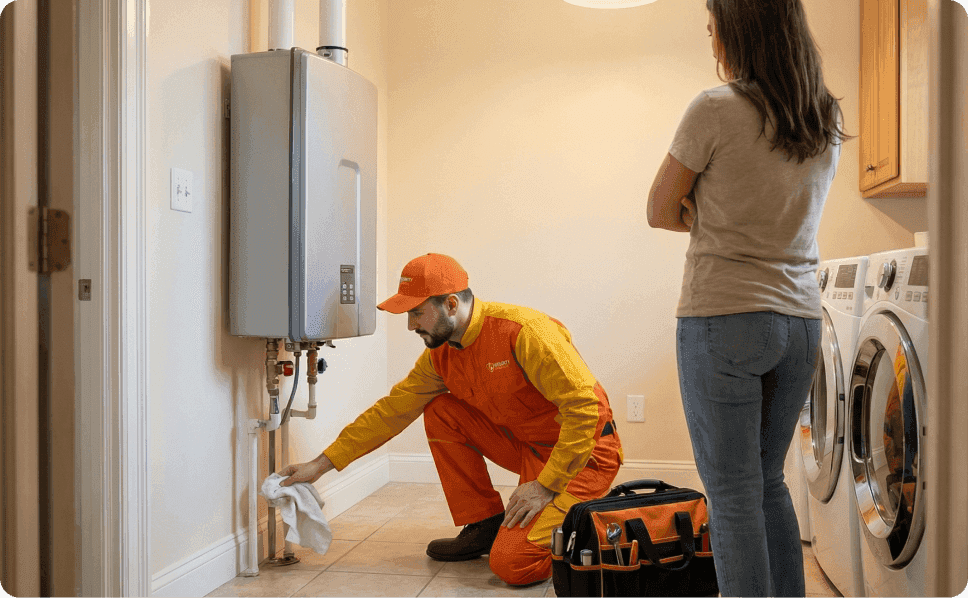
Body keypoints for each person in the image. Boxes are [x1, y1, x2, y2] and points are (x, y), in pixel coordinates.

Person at [646, 0, 849, 595]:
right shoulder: (824, 116)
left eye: (714, 27)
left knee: (732, 494)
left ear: (739, 30)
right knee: (766, 484)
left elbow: (659, 209)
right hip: (801, 320)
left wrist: (709, 218)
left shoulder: (714, 108)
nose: (711, 38)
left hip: (724, 316)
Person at [279, 253, 623, 586]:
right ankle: (483, 525)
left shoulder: (525, 332)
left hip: (584, 455)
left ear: (452, 305)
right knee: (442, 411)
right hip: (530, 448)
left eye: (417, 313)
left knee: (513, 565)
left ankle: (592, 518)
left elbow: (586, 409)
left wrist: (545, 486)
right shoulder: (441, 354)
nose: (411, 325)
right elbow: (392, 411)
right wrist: (320, 465)